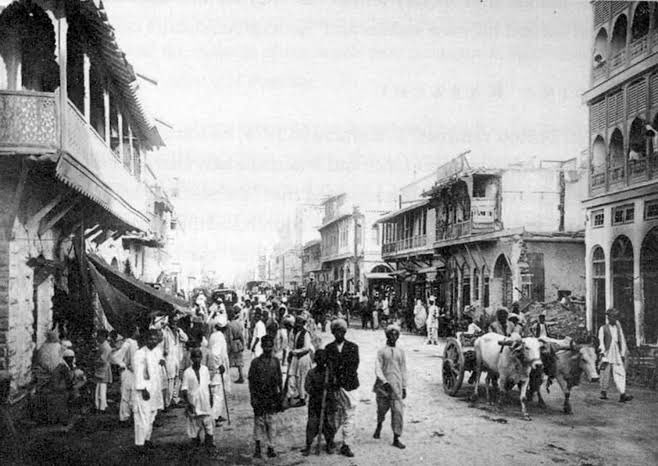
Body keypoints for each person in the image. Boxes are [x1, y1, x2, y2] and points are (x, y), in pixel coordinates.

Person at [325, 318, 359, 458]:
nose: (339, 333)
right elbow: (328, 367)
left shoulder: (352, 347)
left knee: (349, 415)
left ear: (345, 332)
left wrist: (340, 377)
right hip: (334, 387)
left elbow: (353, 366)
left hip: (349, 386)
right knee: (334, 416)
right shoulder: (329, 348)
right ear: (333, 332)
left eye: (341, 331)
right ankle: (330, 440)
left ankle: (346, 444)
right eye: (336, 331)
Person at [373, 325, 407, 449]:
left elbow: (403, 369)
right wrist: (384, 382)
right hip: (383, 387)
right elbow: (378, 367)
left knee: (398, 411)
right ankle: (379, 425)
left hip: (396, 386)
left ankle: (396, 437)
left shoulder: (400, 352)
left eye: (396, 335)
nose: (393, 337)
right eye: (391, 335)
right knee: (382, 410)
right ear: (387, 336)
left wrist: (404, 386)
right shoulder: (381, 351)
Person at [248, 335, 282, 459]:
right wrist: (253, 397)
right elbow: (251, 382)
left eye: (270, 346)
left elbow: (280, 379)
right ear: (262, 347)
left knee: (271, 422)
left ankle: (271, 447)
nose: (268, 349)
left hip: (272, 396)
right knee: (259, 422)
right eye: (266, 346)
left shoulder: (276, 361)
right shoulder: (255, 362)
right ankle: (257, 448)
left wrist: (281, 396)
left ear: (273, 347)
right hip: (259, 396)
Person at [133, 329, 165, 450]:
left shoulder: (157, 351)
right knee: (143, 417)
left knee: (152, 415)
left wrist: (162, 362)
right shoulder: (140, 353)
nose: (153, 341)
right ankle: (139, 443)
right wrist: (143, 389)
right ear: (146, 340)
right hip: (144, 389)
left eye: (155, 339)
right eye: (150, 338)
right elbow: (138, 373)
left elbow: (160, 362)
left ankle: (147, 439)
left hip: (155, 388)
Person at [302, 349, 336, 456]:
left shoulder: (329, 373)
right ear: (316, 360)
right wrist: (319, 388)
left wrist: (329, 385)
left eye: (323, 359)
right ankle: (308, 446)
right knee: (312, 424)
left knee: (329, 425)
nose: (321, 361)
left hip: (328, 403)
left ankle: (329, 444)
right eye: (319, 359)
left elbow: (335, 385)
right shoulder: (311, 373)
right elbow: (307, 387)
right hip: (315, 404)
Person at [181, 348, 214, 450]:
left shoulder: (205, 370)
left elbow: (208, 384)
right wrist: (188, 403)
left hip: (205, 400)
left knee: (208, 422)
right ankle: (195, 442)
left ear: (201, 358)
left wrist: (211, 397)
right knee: (194, 424)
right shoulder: (187, 372)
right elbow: (184, 389)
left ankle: (209, 443)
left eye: (199, 357)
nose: (197, 359)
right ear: (191, 358)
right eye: (194, 357)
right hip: (193, 402)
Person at [598, 309, 633, 403]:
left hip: (616, 352)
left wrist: (622, 353)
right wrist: (602, 353)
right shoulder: (603, 328)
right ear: (608, 317)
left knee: (620, 371)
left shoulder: (618, 328)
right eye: (611, 316)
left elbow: (622, 340)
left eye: (615, 317)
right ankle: (603, 391)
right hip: (607, 352)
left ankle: (622, 393)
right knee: (604, 371)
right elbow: (601, 342)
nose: (613, 319)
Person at [111, 327, 139, 423]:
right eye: (136, 330)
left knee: (134, 394)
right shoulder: (127, 343)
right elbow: (115, 357)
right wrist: (124, 364)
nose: (138, 331)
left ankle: (132, 416)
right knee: (125, 394)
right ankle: (124, 417)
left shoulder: (135, 343)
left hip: (135, 372)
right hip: (127, 373)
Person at [287, 316, 314, 407]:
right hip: (295, 357)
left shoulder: (306, 333)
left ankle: (302, 398)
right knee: (292, 375)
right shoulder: (293, 332)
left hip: (303, 358)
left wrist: (295, 351)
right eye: (297, 322)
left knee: (302, 377)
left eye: (300, 323)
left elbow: (306, 348)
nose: (298, 325)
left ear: (303, 324)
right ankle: (291, 395)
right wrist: (291, 353)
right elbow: (290, 344)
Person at [208, 325, 230, 424]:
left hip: (214, 368)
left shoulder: (213, 335)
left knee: (216, 394)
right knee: (218, 394)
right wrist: (219, 365)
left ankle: (217, 414)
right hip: (216, 370)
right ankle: (214, 417)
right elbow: (215, 353)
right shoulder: (219, 336)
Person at [94, 329, 113, 413]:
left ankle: (101, 406)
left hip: (103, 369)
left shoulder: (106, 347)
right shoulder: (102, 345)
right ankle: (100, 405)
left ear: (102, 337)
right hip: (101, 368)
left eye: (98, 336)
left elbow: (103, 360)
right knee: (99, 387)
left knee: (101, 388)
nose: (97, 337)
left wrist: (95, 361)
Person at [226, 306, 246, 384]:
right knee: (239, 362)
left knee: (230, 361)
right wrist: (243, 344)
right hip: (239, 343)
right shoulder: (238, 324)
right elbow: (241, 336)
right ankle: (241, 376)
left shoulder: (229, 325)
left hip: (233, 343)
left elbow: (230, 337)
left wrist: (229, 347)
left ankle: (227, 377)